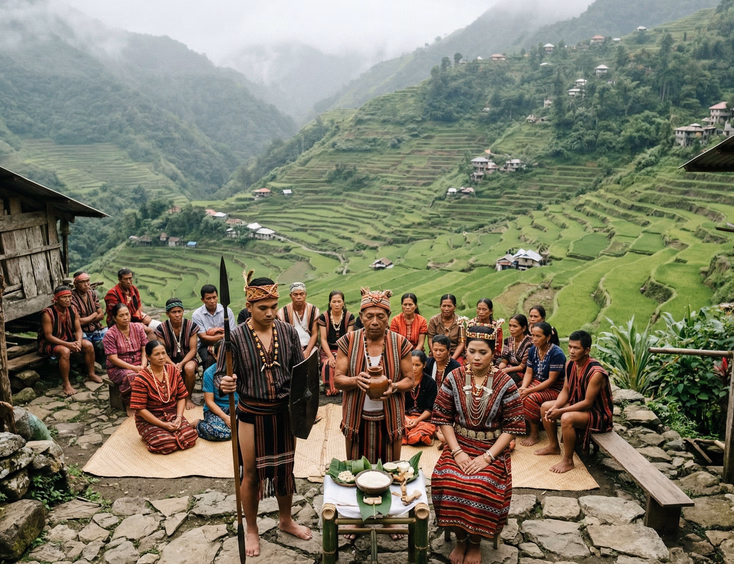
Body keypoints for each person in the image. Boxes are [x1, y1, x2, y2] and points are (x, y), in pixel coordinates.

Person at [217, 273, 311, 557]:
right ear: (249, 305)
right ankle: (252, 529)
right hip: (251, 414)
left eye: (273, 306)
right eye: (262, 308)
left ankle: (285, 520)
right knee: (252, 475)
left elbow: (300, 372)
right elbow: (221, 373)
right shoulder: (234, 337)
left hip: (283, 413)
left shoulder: (288, 332)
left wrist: (304, 408)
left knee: (285, 472)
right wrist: (226, 382)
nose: (270, 312)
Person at [431, 325, 524, 564]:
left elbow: (513, 427)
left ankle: (475, 542)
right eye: (471, 351)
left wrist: (487, 458)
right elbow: (442, 416)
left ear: (493, 353)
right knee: (446, 478)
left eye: (483, 352)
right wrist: (457, 452)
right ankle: (460, 539)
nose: (476, 357)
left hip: (491, 449)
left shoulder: (506, 383)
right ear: (465, 352)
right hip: (459, 444)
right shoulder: (454, 377)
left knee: (481, 485)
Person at [334, 288, 414, 464]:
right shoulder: (349, 341)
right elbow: (338, 380)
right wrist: (355, 380)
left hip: (390, 419)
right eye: (369, 316)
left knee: (390, 470)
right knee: (356, 468)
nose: (375, 322)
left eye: (381, 316)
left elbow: (410, 380)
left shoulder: (400, 343)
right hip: (356, 418)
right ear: (361, 317)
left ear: (389, 317)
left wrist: (395, 387)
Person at [535, 331, 614, 473]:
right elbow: (565, 390)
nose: (571, 351)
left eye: (576, 348)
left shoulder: (596, 373)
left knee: (566, 418)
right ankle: (554, 446)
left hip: (597, 413)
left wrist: (561, 411)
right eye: (570, 347)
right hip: (577, 405)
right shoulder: (570, 364)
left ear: (587, 350)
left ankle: (568, 461)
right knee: (546, 407)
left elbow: (588, 403)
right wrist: (556, 407)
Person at [129, 341, 198, 454]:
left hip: (172, 415)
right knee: (166, 443)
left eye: (163, 353)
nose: (161, 357)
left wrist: (179, 417)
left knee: (190, 437)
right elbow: (140, 409)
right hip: (150, 419)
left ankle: (171, 431)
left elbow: (181, 396)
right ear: (148, 357)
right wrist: (163, 425)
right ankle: (154, 434)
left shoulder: (173, 371)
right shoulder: (141, 378)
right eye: (156, 354)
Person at [38, 286, 101, 396]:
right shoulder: (47, 314)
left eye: (69, 297)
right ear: (56, 299)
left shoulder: (73, 309)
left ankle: (91, 373)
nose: (68, 300)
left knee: (89, 345)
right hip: (51, 343)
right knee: (65, 351)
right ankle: (66, 383)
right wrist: (68, 344)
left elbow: (78, 330)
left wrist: (79, 341)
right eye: (64, 297)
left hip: (68, 338)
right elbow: (48, 336)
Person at [518, 322, 566, 447]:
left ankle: (534, 434)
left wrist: (528, 391)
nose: (534, 339)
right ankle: (525, 427)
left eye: (538, 336)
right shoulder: (533, 349)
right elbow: (529, 372)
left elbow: (551, 380)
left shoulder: (557, 353)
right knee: (517, 392)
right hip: (537, 383)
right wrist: (524, 387)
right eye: (533, 335)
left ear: (548, 337)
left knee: (530, 398)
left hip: (555, 388)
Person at [155, 298, 199, 410]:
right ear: (167, 314)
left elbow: (193, 350)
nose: (177, 315)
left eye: (180, 311)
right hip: (168, 359)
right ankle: (171, 398)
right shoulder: (161, 329)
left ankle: (188, 397)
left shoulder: (191, 326)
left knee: (189, 368)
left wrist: (182, 363)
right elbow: (162, 351)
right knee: (168, 369)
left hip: (187, 358)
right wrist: (174, 365)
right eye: (174, 312)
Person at [103, 303, 148, 408]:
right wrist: (133, 368)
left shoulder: (138, 328)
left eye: (127, 314)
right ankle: (130, 405)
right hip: (118, 368)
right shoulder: (110, 334)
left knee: (160, 370)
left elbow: (144, 349)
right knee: (132, 377)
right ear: (114, 318)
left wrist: (143, 365)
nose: (125, 318)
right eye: (121, 315)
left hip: (139, 363)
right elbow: (113, 359)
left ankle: (150, 401)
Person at [317, 291, 355, 396]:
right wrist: (330, 356)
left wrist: (339, 355)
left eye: (339, 301)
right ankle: (330, 388)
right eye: (334, 301)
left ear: (343, 302)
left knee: (342, 363)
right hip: (327, 349)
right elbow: (323, 339)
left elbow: (349, 338)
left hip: (344, 349)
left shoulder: (349, 317)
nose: (337, 304)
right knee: (328, 364)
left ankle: (340, 386)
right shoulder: (323, 317)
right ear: (330, 303)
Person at [104, 268, 159, 339]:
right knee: (149, 331)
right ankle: (149, 349)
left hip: (133, 317)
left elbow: (139, 307)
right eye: (125, 279)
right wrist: (137, 324)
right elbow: (118, 317)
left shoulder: (133, 289)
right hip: (120, 323)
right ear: (119, 280)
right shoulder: (112, 294)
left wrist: (140, 318)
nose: (128, 281)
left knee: (156, 325)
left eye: (130, 278)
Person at [191, 284, 237, 370]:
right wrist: (222, 335)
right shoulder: (197, 315)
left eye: (214, 297)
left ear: (217, 297)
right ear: (202, 300)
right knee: (208, 360)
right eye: (208, 298)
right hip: (205, 345)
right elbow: (203, 338)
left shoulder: (227, 310)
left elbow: (232, 333)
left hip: (226, 342)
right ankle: (209, 380)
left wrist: (211, 334)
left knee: (233, 358)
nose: (212, 301)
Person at [195, 363, 238, 441]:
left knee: (249, 426)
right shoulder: (209, 373)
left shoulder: (242, 369)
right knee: (216, 432)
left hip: (237, 408)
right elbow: (209, 401)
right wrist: (225, 418)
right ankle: (198, 423)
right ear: (215, 355)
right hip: (217, 410)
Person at [403, 351, 438, 446]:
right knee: (395, 429)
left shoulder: (430, 383)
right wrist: (405, 418)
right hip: (404, 417)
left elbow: (430, 408)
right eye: (411, 364)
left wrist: (417, 420)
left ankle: (416, 435)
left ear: (424, 365)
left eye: (417, 365)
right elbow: (396, 404)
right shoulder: (402, 381)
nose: (414, 368)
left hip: (423, 419)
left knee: (422, 431)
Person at [277, 282, 320, 358]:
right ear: (291, 296)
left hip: (310, 346)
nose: (299, 297)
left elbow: (314, 334)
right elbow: (284, 335)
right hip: (291, 348)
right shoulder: (282, 313)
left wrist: (307, 351)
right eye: (295, 294)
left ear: (305, 295)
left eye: (301, 294)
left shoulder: (313, 310)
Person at [70, 271, 107, 350]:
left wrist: (86, 320)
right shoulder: (71, 297)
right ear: (75, 284)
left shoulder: (92, 294)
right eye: (82, 282)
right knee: (87, 346)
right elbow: (79, 322)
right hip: (82, 332)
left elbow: (101, 316)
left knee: (112, 338)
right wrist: (94, 315)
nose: (86, 284)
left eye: (87, 281)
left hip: (97, 329)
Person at [427, 294, 465, 362]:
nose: (446, 309)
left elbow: (461, 343)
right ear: (440, 306)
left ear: (455, 307)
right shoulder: (434, 320)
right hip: (437, 353)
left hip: (454, 353)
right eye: (444, 306)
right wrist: (435, 353)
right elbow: (430, 338)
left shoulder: (460, 321)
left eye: (449, 306)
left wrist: (452, 359)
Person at [498, 314, 533, 384]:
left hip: (522, 371)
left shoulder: (529, 343)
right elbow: (505, 358)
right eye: (510, 325)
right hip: (509, 367)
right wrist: (500, 368)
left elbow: (522, 366)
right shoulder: (508, 340)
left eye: (515, 326)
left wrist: (506, 370)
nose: (511, 329)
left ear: (523, 328)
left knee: (506, 378)